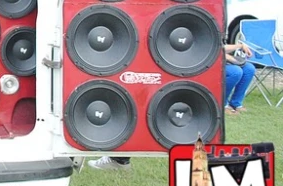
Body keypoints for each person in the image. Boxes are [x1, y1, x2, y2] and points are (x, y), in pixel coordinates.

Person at [89, 41, 255, 171]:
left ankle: (120, 159)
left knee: (145, 106)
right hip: (179, 65)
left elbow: (206, 45)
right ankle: (119, 159)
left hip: (182, 69)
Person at [224, 41, 255, 114]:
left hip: (223, 59)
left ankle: (236, 103)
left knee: (249, 69)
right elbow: (214, 49)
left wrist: (240, 46)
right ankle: (223, 104)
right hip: (211, 63)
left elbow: (221, 46)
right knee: (236, 72)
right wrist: (231, 58)